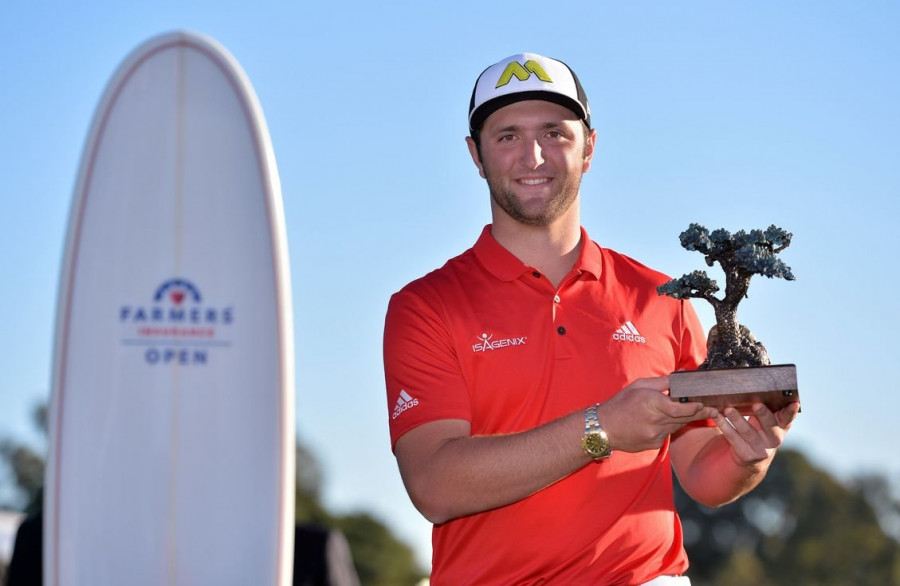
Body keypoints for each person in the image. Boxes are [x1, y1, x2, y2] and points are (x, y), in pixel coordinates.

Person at [382, 52, 799, 585]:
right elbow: (435, 485)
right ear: (476, 155)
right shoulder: (426, 305)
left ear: (589, 148)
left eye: (555, 132)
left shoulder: (661, 296)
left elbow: (701, 473)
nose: (533, 155)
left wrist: (750, 455)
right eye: (507, 135)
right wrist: (599, 429)